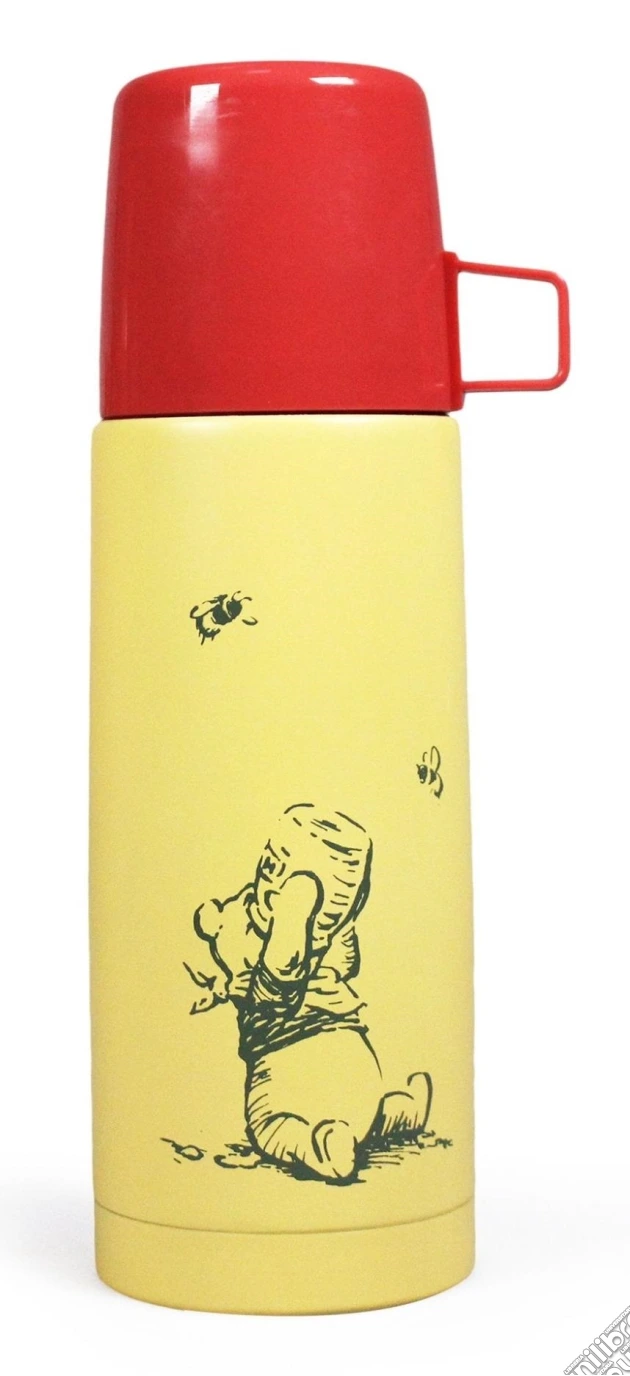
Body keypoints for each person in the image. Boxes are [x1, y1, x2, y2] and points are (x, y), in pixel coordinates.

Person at [185, 803, 431, 1182]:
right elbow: (347, 965)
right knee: (365, 1118)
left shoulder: (253, 934)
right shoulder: (333, 937)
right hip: (353, 1055)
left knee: (269, 1123)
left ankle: (315, 1146)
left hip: (284, 1059)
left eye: (273, 864)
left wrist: (234, 925)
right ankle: (402, 1111)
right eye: (269, 861)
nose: (266, 871)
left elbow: (269, 988)